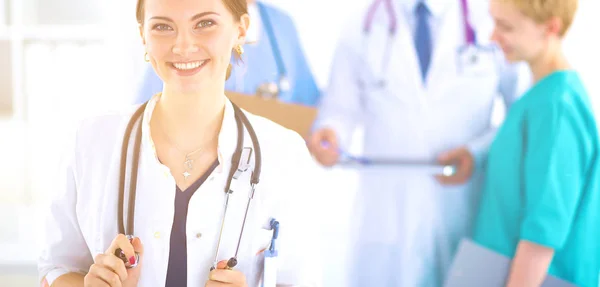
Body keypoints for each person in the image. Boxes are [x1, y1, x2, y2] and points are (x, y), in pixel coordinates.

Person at [37, 0, 321, 286]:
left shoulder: (285, 155)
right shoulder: (91, 142)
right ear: (143, 35)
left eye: (205, 23)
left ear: (240, 29)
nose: (183, 46)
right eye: (162, 26)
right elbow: (54, 270)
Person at [308, 0, 529, 286]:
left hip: (461, 206)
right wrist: (330, 136)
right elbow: (338, 111)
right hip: (386, 213)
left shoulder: (492, 21)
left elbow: (523, 116)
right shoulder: (361, 24)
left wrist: (478, 153)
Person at [472, 0, 600, 286]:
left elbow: (542, 235)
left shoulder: (557, 106)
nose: (492, 37)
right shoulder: (539, 96)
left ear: (551, 28)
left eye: (506, 26)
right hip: (492, 269)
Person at [133, 0, 320, 106]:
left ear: (242, 29)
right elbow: (146, 114)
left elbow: (310, 104)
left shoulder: (281, 25)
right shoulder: (179, 16)